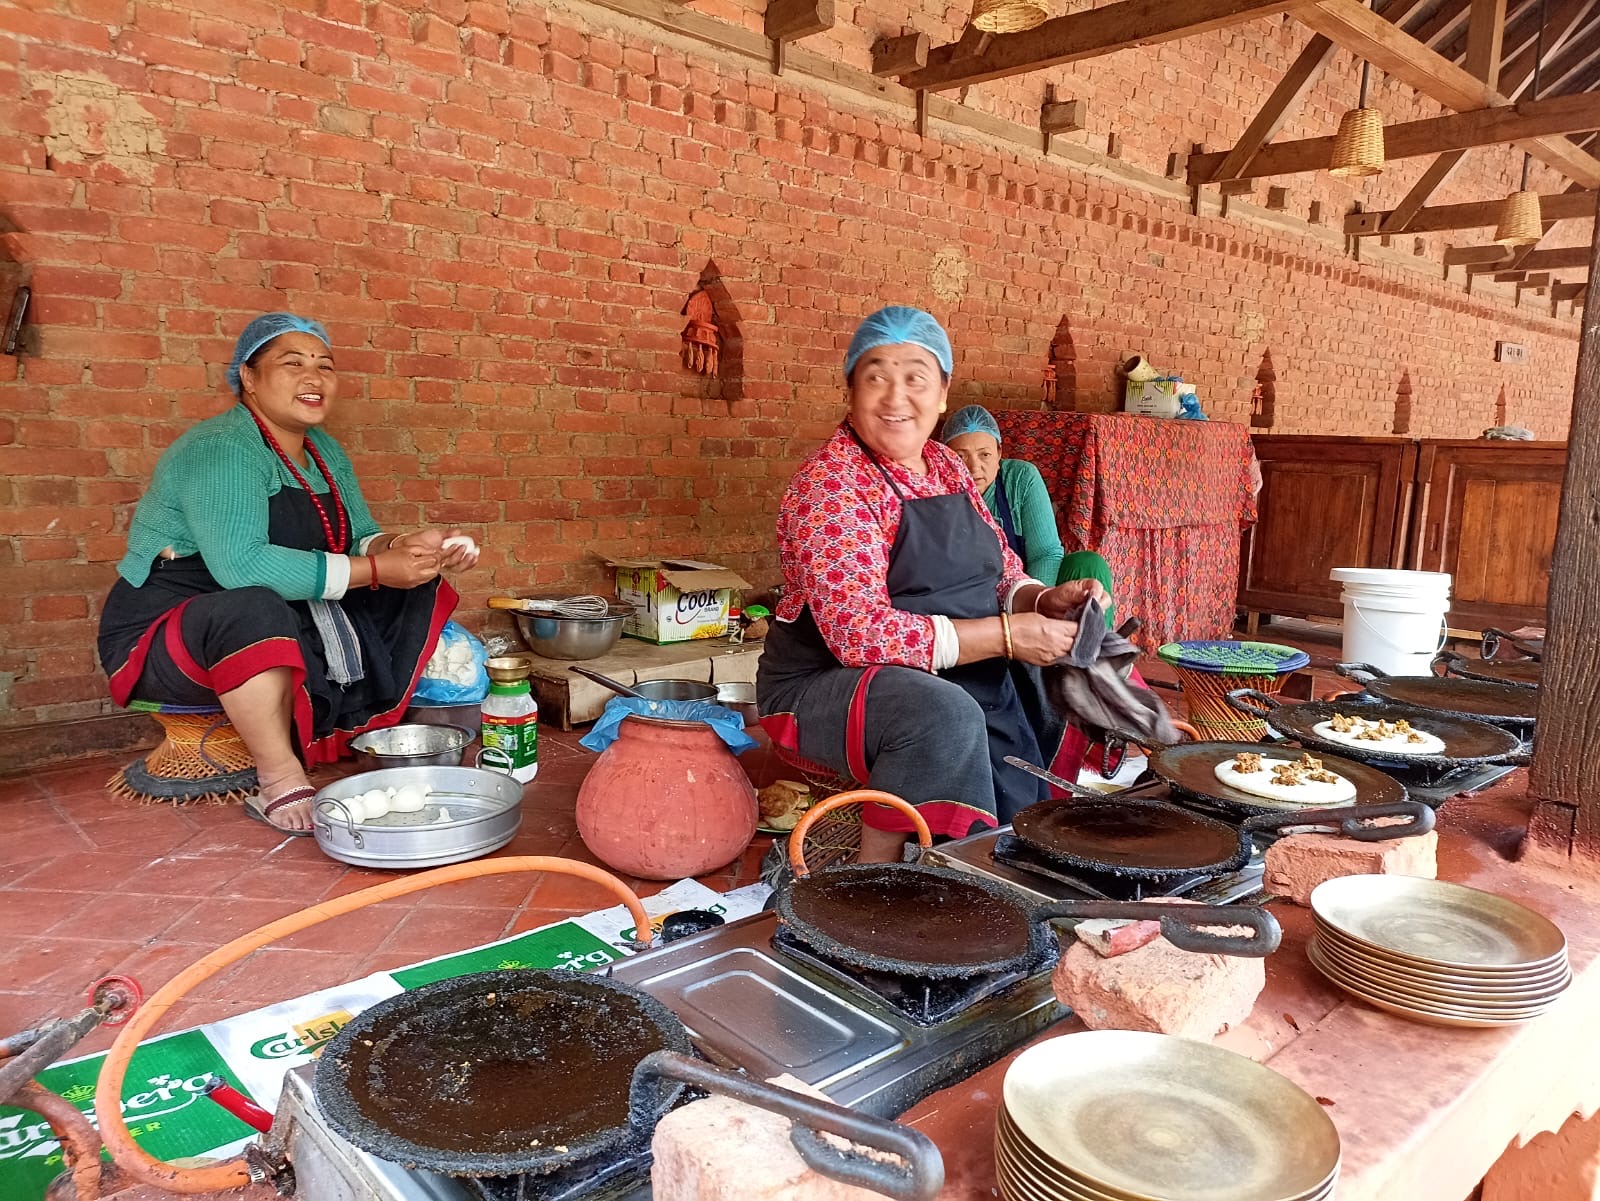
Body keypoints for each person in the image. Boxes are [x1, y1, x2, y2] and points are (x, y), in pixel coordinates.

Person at [98, 313, 480, 834]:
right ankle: (277, 775)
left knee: (410, 587)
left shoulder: (326, 453)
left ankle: (357, 725)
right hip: (169, 632)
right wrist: (373, 569)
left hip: (274, 610)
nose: (314, 377)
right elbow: (241, 566)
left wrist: (407, 549)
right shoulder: (223, 447)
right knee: (253, 602)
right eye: (292, 363)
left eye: (325, 365)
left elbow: (358, 536)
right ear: (247, 378)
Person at [756, 307, 1106, 863]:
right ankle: (873, 879)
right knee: (943, 712)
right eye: (876, 377)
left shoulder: (946, 466)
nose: (896, 398)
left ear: (943, 393)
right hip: (822, 682)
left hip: (942, 661)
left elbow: (999, 570)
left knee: (1071, 664)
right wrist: (1009, 637)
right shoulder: (831, 484)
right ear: (850, 391)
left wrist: (1043, 599)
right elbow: (860, 638)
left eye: (915, 377)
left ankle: (1018, 835)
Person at [941, 404, 1115, 623]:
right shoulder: (936, 489)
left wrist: (1035, 610)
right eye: (961, 456)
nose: (974, 468)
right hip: (970, 605)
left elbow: (1045, 554)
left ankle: (1099, 648)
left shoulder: (1020, 479)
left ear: (999, 453)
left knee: (1088, 564)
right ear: (944, 457)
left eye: (984, 454)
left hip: (1029, 593)